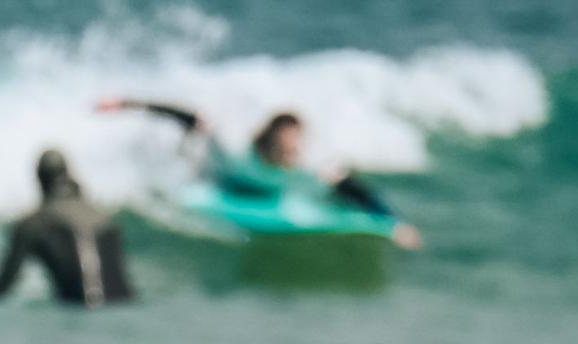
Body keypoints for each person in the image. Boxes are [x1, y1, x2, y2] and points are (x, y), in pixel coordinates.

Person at [103, 98, 425, 248]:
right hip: (221, 182)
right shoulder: (233, 144)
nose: (292, 155)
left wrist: (395, 224)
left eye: (296, 148)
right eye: (285, 148)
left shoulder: (310, 163)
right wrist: (126, 104)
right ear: (269, 140)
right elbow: (186, 116)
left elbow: (355, 190)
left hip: (268, 198)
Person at [0, 148, 134, 306]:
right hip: (126, 306)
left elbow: (3, 286)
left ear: (40, 181)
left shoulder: (34, 224)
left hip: (79, 312)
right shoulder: (105, 219)